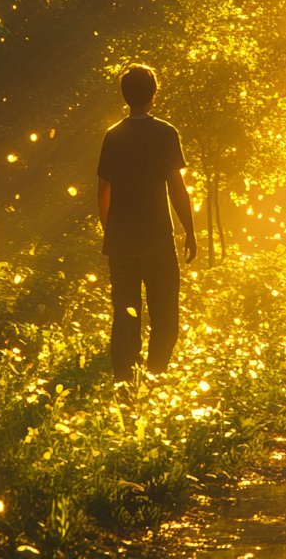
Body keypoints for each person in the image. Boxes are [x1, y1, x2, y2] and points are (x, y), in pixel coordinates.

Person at [97, 64, 197, 379]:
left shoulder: (113, 136)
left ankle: (124, 383)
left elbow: (103, 192)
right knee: (165, 317)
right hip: (158, 242)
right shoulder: (166, 134)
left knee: (125, 317)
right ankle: (155, 376)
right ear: (153, 94)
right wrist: (190, 231)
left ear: (125, 95)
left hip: (122, 243)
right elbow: (177, 189)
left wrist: (109, 231)